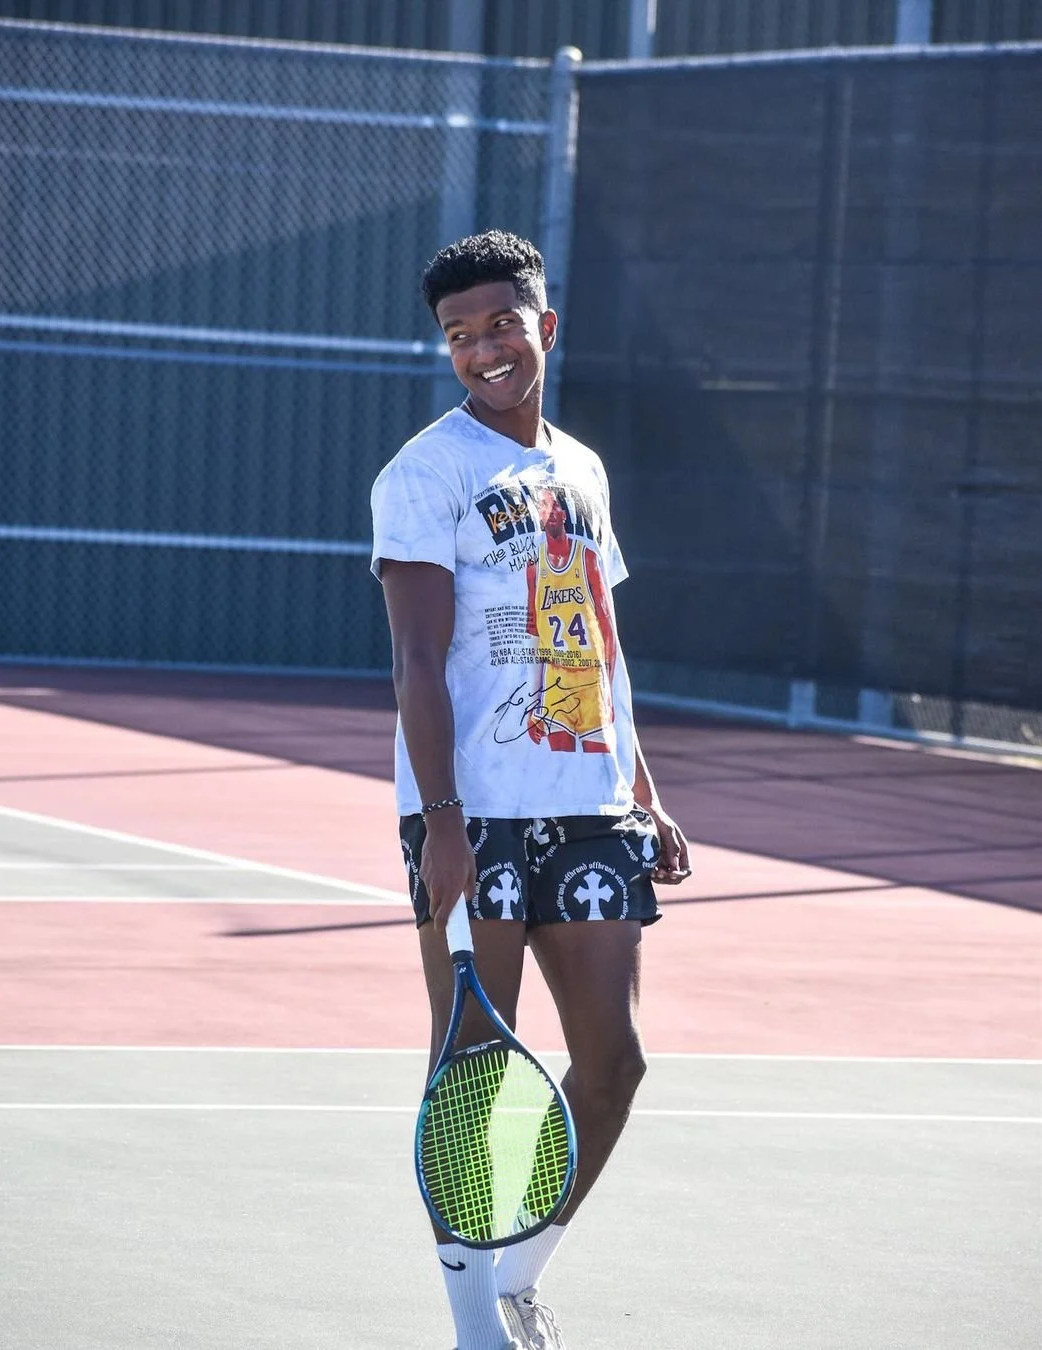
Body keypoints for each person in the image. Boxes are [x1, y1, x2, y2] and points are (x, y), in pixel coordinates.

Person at [370, 230, 690, 1350]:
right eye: (459, 334)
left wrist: (644, 787)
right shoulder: (425, 473)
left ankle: (517, 1273)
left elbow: (601, 642)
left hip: (590, 806)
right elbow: (416, 662)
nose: (483, 349)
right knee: (472, 1071)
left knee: (614, 1065)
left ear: (543, 327)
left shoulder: (584, 470)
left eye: (501, 324)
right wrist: (442, 822)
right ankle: (473, 1326)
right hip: (474, 815)